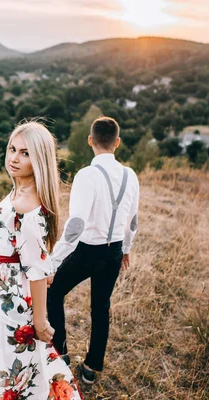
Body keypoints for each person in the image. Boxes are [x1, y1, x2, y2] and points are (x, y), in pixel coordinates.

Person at [0, 121, 82, 400]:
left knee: (6, 378)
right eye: (12, 149)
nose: (14, 158)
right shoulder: (19, 191)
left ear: (38, 159)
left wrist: (40, 322)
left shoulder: (26, 206)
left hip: (8, 312)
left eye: (25, 153)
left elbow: (37, 271)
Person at [47, 116, 140, 384]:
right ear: (117, 143)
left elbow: (76, 224)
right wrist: (126, 248)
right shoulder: (130, 176)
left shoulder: (86, 175)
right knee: (101, 307)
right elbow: (132, 221)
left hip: (87, 251)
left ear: (90, 140)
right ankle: (91, 368)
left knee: (53, 291)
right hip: (112, 254)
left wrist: (54, 261)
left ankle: (60, 354)